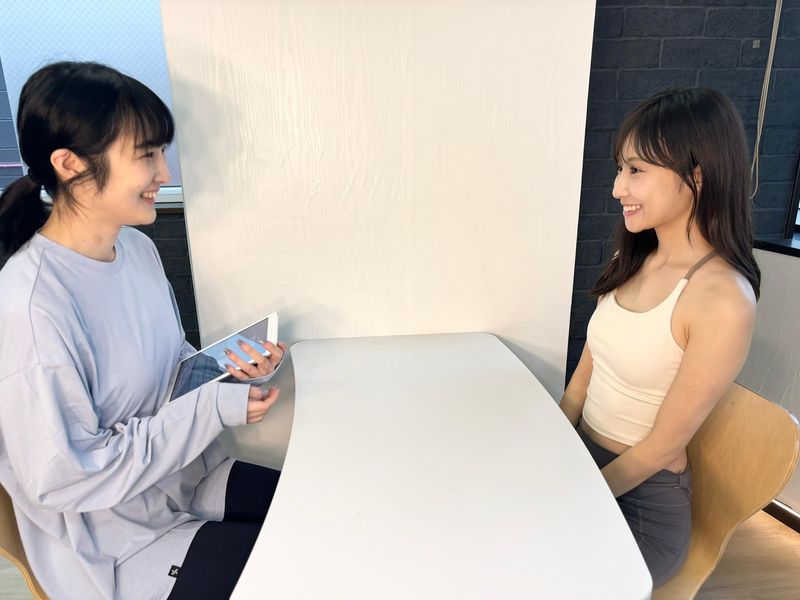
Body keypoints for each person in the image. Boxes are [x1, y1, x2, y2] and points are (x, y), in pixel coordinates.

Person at [0, 61, 287, 599]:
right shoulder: (32, 306)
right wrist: (212, 408)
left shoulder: (135, 248)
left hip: (185, 477)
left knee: (334, 508)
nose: (164, 173)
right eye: (146, 155)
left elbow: (168, 365)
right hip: (118, 541)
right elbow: (67, 477)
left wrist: (231, 372)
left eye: (161, 153)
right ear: (69, 164)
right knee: (311, 566)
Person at [559, 87, 759, 586]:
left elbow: (663, 446)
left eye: (636, 170)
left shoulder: (722, 299)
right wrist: (553, 449)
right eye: (620, 169)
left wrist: (573, 495)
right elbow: (583, 378)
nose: (617, 189)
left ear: (697, 175)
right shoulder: (632, 259)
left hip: (642, 503)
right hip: (584, 462)